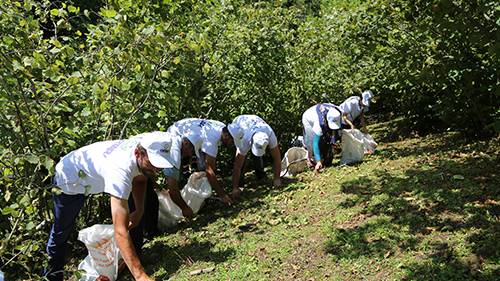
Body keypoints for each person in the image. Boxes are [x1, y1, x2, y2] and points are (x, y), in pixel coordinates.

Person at [43, 132, 176, 281]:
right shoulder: (120, 170)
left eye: (160, 164)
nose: (157, 170)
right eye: (153, 163)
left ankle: (132, 260)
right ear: (138, 153)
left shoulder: (145, 144)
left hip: (91, 175)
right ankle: (52, 276)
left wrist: (139, 210)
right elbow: (120, 231)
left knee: (133, 215)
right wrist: (141, 277)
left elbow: (140, 179)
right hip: (69, 180)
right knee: (61, 232)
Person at [167, 118, 234, 206]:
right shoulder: (211, 140)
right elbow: (209, 170)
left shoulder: (221, 127)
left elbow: (209, 167)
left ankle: (203, 196)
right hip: (177, 133)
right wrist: (222, 195)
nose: (232, 144)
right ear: (226, 136)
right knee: (175, 171)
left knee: (203, 169)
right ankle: (179, 200)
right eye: (232, 141)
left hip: (191, 136)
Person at [142, 135, 195, 237]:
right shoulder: (174, 154)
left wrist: (154, 183)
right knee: (148, 200)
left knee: (151, 199)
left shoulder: (172, 141)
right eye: (191, 151)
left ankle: (149, 232)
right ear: (186, 144)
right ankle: (147, 233)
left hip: (140, 165)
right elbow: (173, 189)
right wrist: (185, 208)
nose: (190, 154)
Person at [227, 115, 282, 200]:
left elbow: (277, 157)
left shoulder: (270, 134)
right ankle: (239, 184)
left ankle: (260, 175)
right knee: (241, 160)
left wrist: (277, 178)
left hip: (256, 123)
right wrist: (234, 188)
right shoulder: (244, 140)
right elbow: (237, 166)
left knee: (257, 157)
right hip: (239, 124)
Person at [302, 103, 342, 172]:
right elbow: (315, 143)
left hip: (321, 113)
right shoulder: (319, 122)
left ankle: (326, 154)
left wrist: (333, 141)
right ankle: (310, 159)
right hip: (308, 118)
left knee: (327, 136)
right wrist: (318, 161)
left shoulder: (337, 113)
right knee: (311, 142)